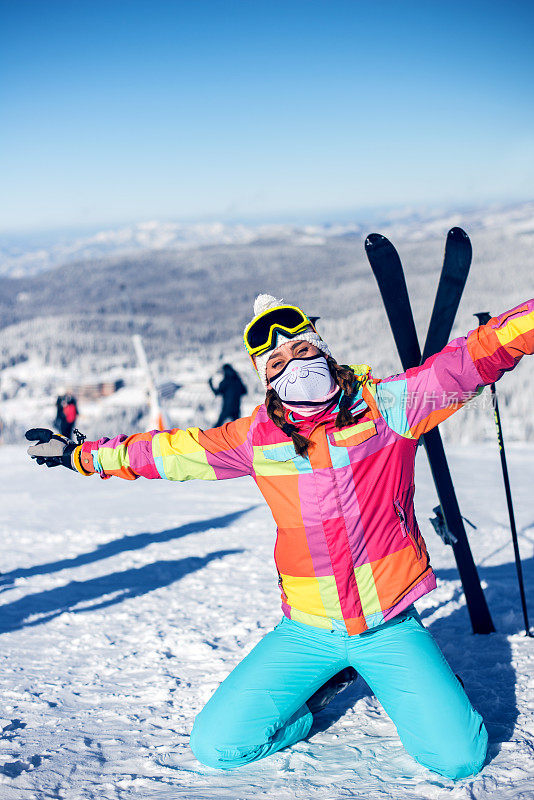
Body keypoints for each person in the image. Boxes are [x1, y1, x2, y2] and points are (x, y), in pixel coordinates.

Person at [26, 293, 534, 780]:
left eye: (301, 349)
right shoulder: (255, 439)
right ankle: (316, 697)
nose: (291, 364)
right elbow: (167, 453)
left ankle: (417, 681)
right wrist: (83, 454)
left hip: (388, 625)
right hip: (308, 632)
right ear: (266, 380)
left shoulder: (389, 408)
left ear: (324, 351)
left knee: (458, 759)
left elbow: (478, 355)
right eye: (274, 362)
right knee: (219, 746)